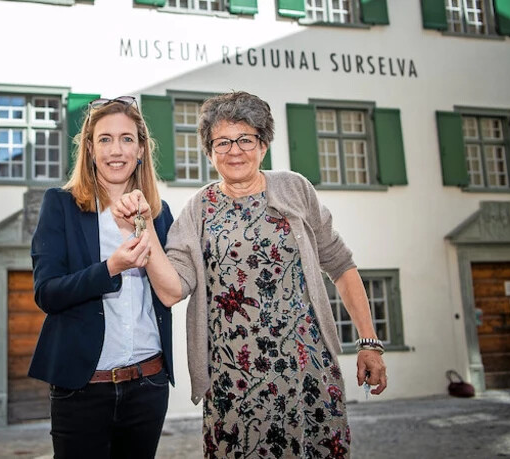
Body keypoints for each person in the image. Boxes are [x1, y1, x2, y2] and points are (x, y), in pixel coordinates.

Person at [115, 91, 387, 458]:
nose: (234, 151)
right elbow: (171, 291)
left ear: (263, 145)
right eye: (222, 142)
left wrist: (369, 342)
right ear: (209, 152)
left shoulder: (295, 189)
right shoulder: (198, 210)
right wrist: (144, 226)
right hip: (234, 382)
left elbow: (340, 264)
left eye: (245, 139)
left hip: (307, 374)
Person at [28, 95, 175, 459]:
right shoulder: (61, 205)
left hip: (148, 383)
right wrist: (110, 268)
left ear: (141, 149)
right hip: (82, 388)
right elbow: (47, 293)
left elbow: (171, 289)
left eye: (127, 139)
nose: (116, 150)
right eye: (105, 139)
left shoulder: (159, 213)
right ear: (90, 149)